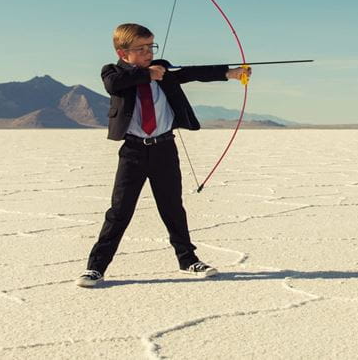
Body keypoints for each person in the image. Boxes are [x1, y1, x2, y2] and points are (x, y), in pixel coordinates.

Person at [77, 23, 251, 288]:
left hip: (164, 149)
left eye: (151, 47)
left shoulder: (163, 70)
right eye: (141, 49)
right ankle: (96, 267)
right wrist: (147, 75)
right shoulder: (113, 72)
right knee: (120, 211)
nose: (148, 53)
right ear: (123, 53)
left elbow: (192, 73)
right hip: (133, 152)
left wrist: (231, 73)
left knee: (172, 208)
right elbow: (114, 84)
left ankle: (187, 260)